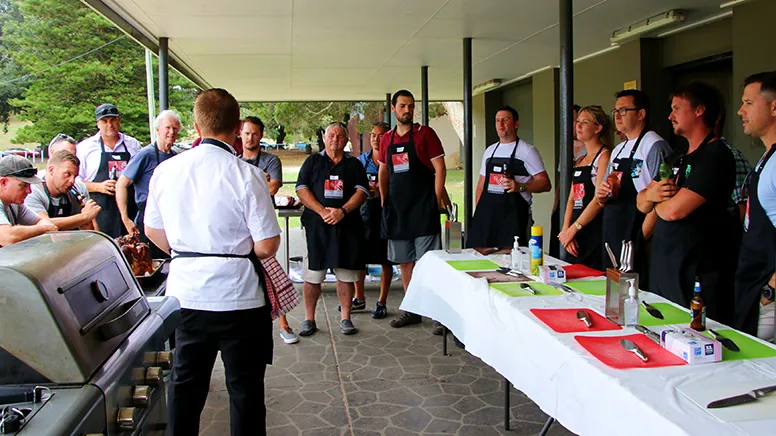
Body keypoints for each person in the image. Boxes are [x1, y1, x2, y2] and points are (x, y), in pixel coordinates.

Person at [144, 88, 281, 436]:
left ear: (196, 126)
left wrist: (186, 250)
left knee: (185, 388)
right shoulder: (248, 175)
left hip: (186, 295)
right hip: (240, 299)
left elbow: (152, 230)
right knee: (245, 391)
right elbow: (267, 245)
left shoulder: (166, 171)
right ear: (237, 129)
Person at [637, 82, 736, 323]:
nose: (670, 116)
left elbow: (674, 211)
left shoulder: (716, 155)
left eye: (677, 108)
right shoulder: (676, 156)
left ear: (699, 110)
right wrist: (651, 196)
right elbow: (641, 203)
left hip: (697, 274)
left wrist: (655, 199)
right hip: (665, 270)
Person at [378, 90, 451, 329]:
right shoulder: (387, 139)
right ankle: (412, 310)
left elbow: (440, 169)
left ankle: (438, 315)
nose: (407, 110)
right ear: (393, 108)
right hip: (397, 211)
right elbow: (383, 171)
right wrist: (384, 201)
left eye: (410, 106)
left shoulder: (425, 134)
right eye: (402, 106)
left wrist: (435, 200)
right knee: (405, 263)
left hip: (422, 209)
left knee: (428, 262)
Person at [295, 122, 369, 336]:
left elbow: (362, 191)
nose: (335, 139)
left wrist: (342, 211)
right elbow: (301, 189)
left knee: (345, 275)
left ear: (346, 140)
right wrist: (322, 211)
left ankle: (346, 318)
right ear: (324, 138)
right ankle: (309, 319)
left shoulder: (354, 164)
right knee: (313, 275)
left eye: (340, 136)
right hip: (316, 228)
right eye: (331, 136)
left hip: (347, 227)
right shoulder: (312, 162)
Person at [595, 90, 670, 288]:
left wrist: (639, 239)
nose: (617, 116)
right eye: (615, 111)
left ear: (641, 114)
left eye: (623, 110)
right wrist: (603, 195)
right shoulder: (619, 149)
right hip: (613, 231)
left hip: (637, 233)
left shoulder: (654, 145)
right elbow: (604, 194)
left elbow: (663, 197)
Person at [239, 116, 297, 345]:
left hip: (262, 227)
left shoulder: (271, 160)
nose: (250, 137)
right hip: (240, 228)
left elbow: (273, 187)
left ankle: (283, 324)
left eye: (254, 133)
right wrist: (260, 181)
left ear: (261, 135)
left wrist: (251, 185)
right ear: (240, 134)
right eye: (246, 133)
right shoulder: (234, 161)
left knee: (271, 274)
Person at [467, 105, 551, 248]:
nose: (500, 124)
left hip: (513, 219)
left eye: (505, 120)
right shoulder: (490, 151)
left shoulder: (527, 151)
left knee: (513, 256)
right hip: (487, 218)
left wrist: (520, 187)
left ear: (516, 124)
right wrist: (480, 213)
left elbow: (545, 183)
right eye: (497, 120)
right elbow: (481, 185)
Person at [733, 71, 776, 339]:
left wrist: (770, 291)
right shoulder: (766, 158)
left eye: (749, 103)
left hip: (767, 296)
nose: (740, 111)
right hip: (751, 287)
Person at [117, 109, 181, 257]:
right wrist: (125, 219)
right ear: (157, 129)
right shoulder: (145, 155)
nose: (171, 132)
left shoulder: (175, 157)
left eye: (175, 128)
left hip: (168, 217)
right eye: (167, 127)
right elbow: (121, 184)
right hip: (147, 218)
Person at [558, 106, 613, 269]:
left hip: (593, 228)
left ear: (598, 128)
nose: (579, 126)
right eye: (578, 121)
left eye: (585, 122)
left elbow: (598, 200)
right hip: (575, 232)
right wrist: (566, 230)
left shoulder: (604, 156)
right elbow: (571, 199)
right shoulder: (581, 160)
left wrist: (574, 229)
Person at [77, 103, 141, 237]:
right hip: (101, 213)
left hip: (130, 211)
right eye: (104, 121)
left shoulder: (132, 144)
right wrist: (98, 186)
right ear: (97, 124)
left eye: (113, 120)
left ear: (119, 120)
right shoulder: (85, 148)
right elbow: (75, 183)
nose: (109, 125)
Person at [353, 121, 393, 319]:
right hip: (364, 214)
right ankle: (359, 298)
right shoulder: (361, 161)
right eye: (373, 135)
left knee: (386, 259)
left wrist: (384, 189)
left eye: (381, 135)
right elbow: (353, 185)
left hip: (386, 214)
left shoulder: (394, 159)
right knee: (359, 258)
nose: (376, 139)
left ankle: (382, 301)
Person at [24, 150, 101, 230]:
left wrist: (88, 217)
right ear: (51, 170)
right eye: (67, 174)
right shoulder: (32, 191)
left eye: (75, 176)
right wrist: (84, 217)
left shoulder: (78, 188)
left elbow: (89, 227)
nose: (72, 181)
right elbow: (43, 224)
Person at [0, 155, 58, 246]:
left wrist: (46, 228)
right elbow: (7, 237)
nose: (29, 191)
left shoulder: (15, 204)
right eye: (23, 185)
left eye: (29, 185)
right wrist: (43, 229)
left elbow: (40, 221)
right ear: (3, 183)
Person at [551, 104, 585, 257]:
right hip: (564, 203)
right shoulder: (566, 147)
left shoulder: (591, 149)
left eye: (575, 120)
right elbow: (561, 180)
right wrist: (556, 206)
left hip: (581, 204)